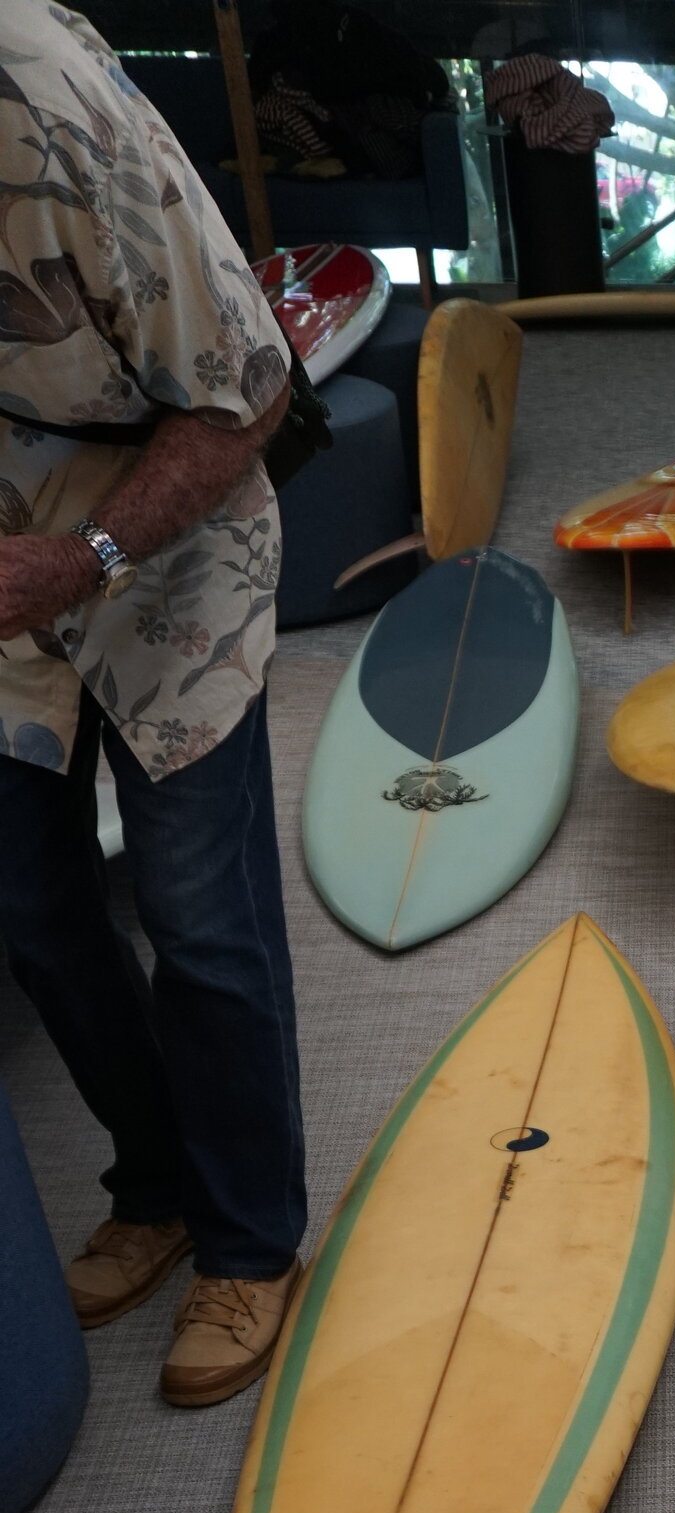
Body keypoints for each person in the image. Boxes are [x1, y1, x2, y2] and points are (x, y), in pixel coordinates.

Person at [0, 0, 305, 1407]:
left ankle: (251, 1244)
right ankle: (159, 1183)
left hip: (167, 504)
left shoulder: (51, 109)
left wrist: (88, 557)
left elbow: (249, 396)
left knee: (196, 907)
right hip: (10, 526)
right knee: (34, 902)